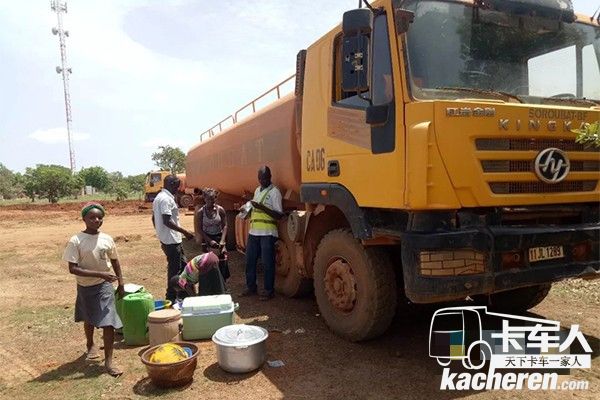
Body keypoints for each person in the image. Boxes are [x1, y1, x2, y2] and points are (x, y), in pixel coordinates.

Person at [62, 202, 124, 377]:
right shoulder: (76, 241)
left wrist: (121, 283)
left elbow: (115, 261)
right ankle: (90, 344)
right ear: (84, 219)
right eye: (92, 217)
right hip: (85, 285)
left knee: (108, 320)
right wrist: (100, 273)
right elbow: (72, 268)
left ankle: (109, 362)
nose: (96, 220)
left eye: (99, 217)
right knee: (88, 317)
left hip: (105, 285)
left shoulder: (107, 239)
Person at [240, 166, 284, 301]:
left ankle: (268, 290)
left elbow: (279, 215)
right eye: (260, 178)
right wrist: (247, 210)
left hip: (268, 233)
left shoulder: (275, 192)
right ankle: (251, 286)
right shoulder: (257, 190)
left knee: (267, 263)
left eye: (265, 178)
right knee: (250, 261)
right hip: (254, 232)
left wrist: (262, 207)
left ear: (270, 177)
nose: (262, 181)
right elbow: (254, 208)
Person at [152, 174, 194, 302]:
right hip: (171, 240)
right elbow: (167, 221)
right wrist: (185, 232)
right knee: (175, 271)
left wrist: (159, 232)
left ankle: (183, 294)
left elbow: (153, 218)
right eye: (177, 185)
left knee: (183, 266)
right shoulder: (166, 199)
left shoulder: (159, 197)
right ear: (172, 184)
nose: (179, 188)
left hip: (169, 239)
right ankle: (170, 297)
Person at [196, 188, 230, 281]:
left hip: (219, 237)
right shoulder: (200, 212)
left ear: (215, 198)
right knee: (208, 263)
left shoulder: (220, 210)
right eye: (208, 199)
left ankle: (223, 285)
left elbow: (225, 226)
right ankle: (211, 284)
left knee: (222, 263)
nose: (211, 201)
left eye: (213, 199)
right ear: (204, 199)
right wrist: (209, 240)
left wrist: (223, 241)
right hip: (206, 238)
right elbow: (199, 229)